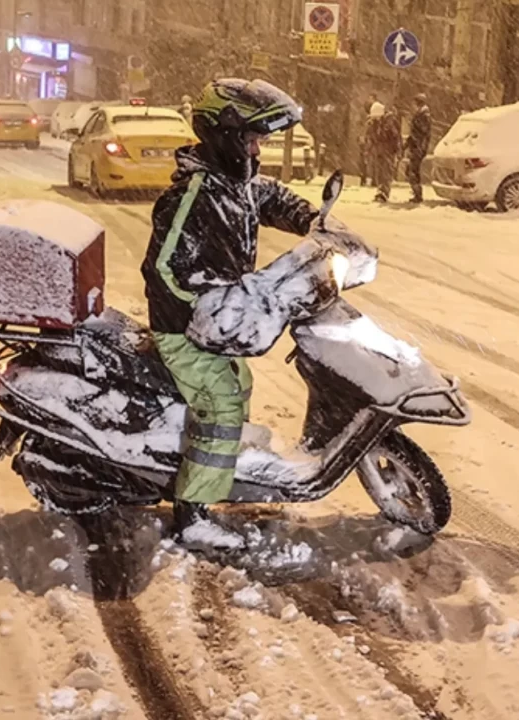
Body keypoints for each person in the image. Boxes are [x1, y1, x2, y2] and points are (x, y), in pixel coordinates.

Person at [141, 78, 319, 547]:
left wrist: (314, 221)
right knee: (221, 400)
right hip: (185, 328)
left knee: (238, 383)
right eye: (253, 138)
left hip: (217, 326)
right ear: (226, 135)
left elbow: (269, 197)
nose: (258, 149)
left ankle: (211, 463)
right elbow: (163, 267)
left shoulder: (234, 183)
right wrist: (207, 304)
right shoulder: (194, 194)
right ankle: (192, 514)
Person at [369, 103, 402, 202]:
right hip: (380, 150)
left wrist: (397, 151)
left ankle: (385, 192)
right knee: (379, 172)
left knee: (386, 172)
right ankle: (380, 190)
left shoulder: (389, 122)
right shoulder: (377, 123)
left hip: (388, 151)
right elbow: (375, 137)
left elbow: (393, 137)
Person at [404, 94, 432, 203]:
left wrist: (418, 145)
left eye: (414, 103)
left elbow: (422, 133)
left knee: (412, 171)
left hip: (418, 148)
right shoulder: (421, 115)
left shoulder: (423, 116)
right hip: (416, 147)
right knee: (412, 171)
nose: (412, 106)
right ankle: (416, 192)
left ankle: (417, 194)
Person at [359, 93, 378, 186]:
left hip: (372, 139)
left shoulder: (376, 110)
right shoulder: (365, 109)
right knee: (364, 160)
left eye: (371, 98)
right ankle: (363, 178)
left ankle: (373, 179)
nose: (369, 100)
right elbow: (362, 125)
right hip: (367, 138)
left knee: (372, 160)